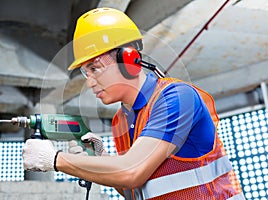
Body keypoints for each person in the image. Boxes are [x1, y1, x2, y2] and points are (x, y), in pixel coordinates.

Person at [23, 7, 245, 199]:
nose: (89, 82)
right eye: (85, 72)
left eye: (94, 68)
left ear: (128, 60)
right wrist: (101, 160)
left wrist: (56, 160)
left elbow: (131, 171)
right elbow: (134, 188)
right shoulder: (121, 120)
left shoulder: (176, 98)